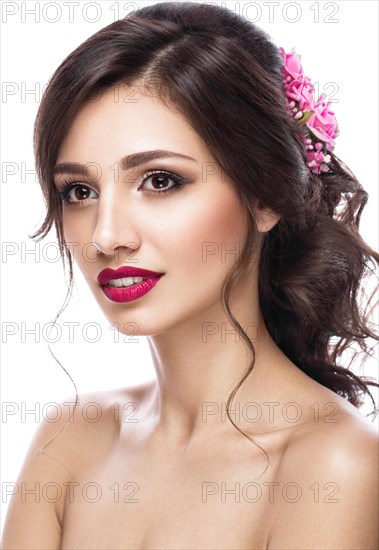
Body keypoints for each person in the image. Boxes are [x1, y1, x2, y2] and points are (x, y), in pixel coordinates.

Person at [2, 2, 378, 548]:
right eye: (79, 192)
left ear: (265, 196)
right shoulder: (70, 442)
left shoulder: (331, 470)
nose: (106, 236)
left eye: (159, 181)